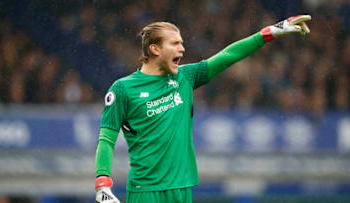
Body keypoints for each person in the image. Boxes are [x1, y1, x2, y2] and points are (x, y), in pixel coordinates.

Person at [95, 15, 311, 203]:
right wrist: (103, 184)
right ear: (155, 49)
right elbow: (106, 138)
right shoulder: (123, 89)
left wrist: (272, 31)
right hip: (147, 192)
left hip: (182, 189)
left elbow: (228, 56)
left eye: (182, 43)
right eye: (175, 44)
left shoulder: (185, 77)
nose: (183, 48)